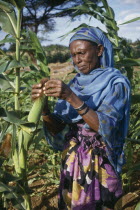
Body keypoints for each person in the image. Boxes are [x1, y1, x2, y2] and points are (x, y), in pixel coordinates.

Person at [31, 26, 131, 210]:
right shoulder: (75, 84)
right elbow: (58, 129)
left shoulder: (116, 84)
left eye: (82, 53)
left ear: (99, 50)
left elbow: (104, 126)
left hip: (101, 164)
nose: (77, 60)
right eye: (73, 55)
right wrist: (43, 107)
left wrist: (71, 97)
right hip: (72, 162)